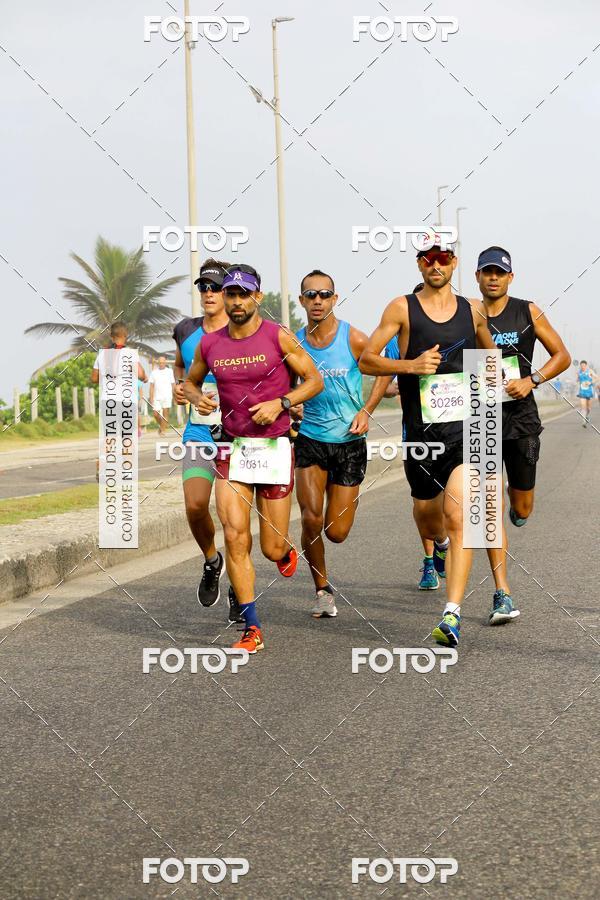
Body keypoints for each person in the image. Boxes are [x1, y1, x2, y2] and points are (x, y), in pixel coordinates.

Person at [359, 243, 496, 648]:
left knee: (460, 516)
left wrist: (496, 382)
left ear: (455, 262)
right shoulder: (401, 308)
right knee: (427, 513)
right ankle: (437, 546)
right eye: (427, 258)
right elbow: (367, 360)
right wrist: (410, 366)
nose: (435, 265)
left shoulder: (473, 310)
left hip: (467, 432)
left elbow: (490, 355)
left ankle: (451, 615)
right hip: (420, 437)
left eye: (444, 258)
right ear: (418, 263)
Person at [184, 263, 323, 654]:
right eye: (231, 294)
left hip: (274, 447)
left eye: (244, 294)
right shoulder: (210, 345)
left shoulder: (277, 337)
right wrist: (199, 398)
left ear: (257, 297)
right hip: (233, 447)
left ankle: (285, 550)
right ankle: (252, 628)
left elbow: (314, 380)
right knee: (234, 535)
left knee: (271, 548)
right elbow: (190, 383)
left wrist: (281, 403)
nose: (236, 301)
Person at [476, 246, 571, 621]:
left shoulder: (527, 310)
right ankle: (502, 593)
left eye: (500, 272)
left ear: (510, 277)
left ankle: (518, 509)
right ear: (478, 277)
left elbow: (560, 355)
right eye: (487, 272)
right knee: (486, 506)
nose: (494, 277)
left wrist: (531, 380)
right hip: (481, 418)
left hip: (521, 419)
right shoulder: (468, 313)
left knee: (521, 506)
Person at [294, 269, 389, 617]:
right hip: (311, 439)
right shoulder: (294, 342)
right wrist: (293, 403)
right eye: (310, 295)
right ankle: (322, 589)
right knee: (310, 517)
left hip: (349, 442)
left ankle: (339, 515)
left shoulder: (353, 338)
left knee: (336, 531)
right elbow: (285, 383)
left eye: (324, 294)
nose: (317, 300)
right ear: (302, 301)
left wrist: (367, 409)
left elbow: (382, 370)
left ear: (335, 299)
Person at [172, 259, 244, 623]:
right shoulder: (185, 330)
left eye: (216, 287)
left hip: (237, 435)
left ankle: (238, 587)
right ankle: (211, 561)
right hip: (199, 431)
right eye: (203, 287)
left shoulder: (244, 331)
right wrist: (182, 389)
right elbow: (181, 371)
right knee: (195, 506)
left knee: (232, 519)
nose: (209, 294)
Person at [379, 282, 445, 590]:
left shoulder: (454, 332)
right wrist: (399, 385)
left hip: (451, 432)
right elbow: (386, 379)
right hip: (415, 433)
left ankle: (443, 545)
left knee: (448, 501)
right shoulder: (398, 339)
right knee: (423, 503)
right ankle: (431, 560)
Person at [91, 322, 147, 481]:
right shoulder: (130, 353)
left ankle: (102, 467)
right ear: (126, 335)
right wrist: (142, 377)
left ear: (111, 336)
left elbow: (94, 378)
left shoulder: (102, 355)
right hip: (126, 401)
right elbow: (141, 374)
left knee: (109, 437)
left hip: (108, 401)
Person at [149, 356, 175, 435]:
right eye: (160, 363)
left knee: (165, 414)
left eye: (163, 362)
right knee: (155, 414)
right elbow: (151, 386)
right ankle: (162, 426)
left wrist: (175, 395)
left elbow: (173, 384)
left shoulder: (170, 371)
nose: (161, 364)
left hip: (167, 396)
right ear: (158, 363)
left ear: (165, 363)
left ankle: (163, 431)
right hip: (157, 396)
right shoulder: (154, 372)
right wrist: (151, 396)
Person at [576, 360, 596, 426]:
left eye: (584, 366)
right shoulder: (579, 372)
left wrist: (590, 382)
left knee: (588, 408)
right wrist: (577, 380)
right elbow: (577, 380)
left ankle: (586, 416)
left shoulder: (590, 371)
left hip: (589, 391)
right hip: (582, 391)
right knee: (583, 406)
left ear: (586, 366)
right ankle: (584, 421)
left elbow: (597, 378)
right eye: (581, 366)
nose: (582, 367)